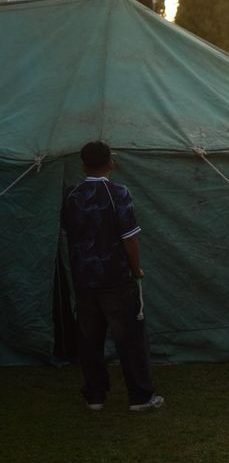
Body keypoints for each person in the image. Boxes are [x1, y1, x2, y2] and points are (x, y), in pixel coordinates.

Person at [61, 141, 163, 411]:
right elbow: (129, 237)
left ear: (83, 165)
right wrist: (136, 268)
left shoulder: (72, 195)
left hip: (83, 278)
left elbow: (69, 233)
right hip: (115, 277)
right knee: (129, 338)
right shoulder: (118, 193)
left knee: (89, 339)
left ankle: (95, 395)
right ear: (111, 163)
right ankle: (140, 397)